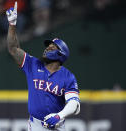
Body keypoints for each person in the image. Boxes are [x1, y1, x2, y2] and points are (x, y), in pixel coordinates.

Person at [6, 2, 80, 131]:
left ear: (61, 54)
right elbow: (13, 48)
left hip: (56, 126)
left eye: (51, 48)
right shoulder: (33, 64)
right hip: (34, 124)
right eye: (47, 47)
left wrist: (59, 115)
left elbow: (74, 104)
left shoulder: (67, 76)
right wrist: (12, 25)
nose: (47, 49)